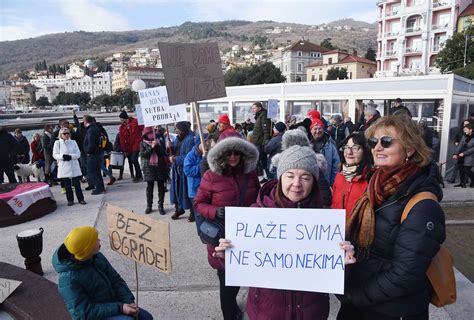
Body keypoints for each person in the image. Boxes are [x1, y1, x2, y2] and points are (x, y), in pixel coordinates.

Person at [214, 145, 356, 320]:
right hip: (266, 312)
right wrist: (225, 257)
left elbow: (336, 276)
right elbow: (240, 265)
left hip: (312, 313)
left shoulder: (327, 224)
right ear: (280, 178)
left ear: (314, 181)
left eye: (305, 177)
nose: (297, 184)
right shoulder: (256, 216)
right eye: (290, 176)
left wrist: (345, 264)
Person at [339, 114, 445, 320]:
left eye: (386, 142)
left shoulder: (422, 204)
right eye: (373, 142)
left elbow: (406, 273)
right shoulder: (376, 186)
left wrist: (356, 295)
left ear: (410, 149)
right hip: (363, 301)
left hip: (393, 309)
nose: (377, 148)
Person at [194, 137, 260, 320]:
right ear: (221, 154)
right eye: (228, 153)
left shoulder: (251, 174)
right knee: (226, 284)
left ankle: (233, 308)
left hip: (248, 236)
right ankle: (229, 315)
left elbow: (259, 199)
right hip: (224, 240)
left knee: (240, 280)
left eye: (236, 152)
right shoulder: (211, 176)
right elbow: (198, 203)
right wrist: (216, 212)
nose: (233, 157)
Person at [52, 226, 153, 320]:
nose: (99, 240)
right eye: (95, 240)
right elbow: (84, 312)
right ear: (87, 250)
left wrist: (129, 301)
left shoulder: (97, 257)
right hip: (94, 315)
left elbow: (116, 280)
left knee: (146, 317)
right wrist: (120, 308)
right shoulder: (67, 280)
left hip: (113, 304)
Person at [331, 132, 372, 217]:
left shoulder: (371, 178)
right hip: (338, 228)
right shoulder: (340, 176)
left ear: (365, 151)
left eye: (355, 148)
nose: (349, 152)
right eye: (346, 148)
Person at [53, 128, 86, 206]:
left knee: (77, 184)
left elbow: (78, 154)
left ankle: (81, 199)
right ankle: (70, 200)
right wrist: (63, 156)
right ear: (61, 135)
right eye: (64, 134)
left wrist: (70, 156)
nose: (66, 135)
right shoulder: (57, 143)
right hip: (63, 166)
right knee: (67, 186)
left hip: (73, 165)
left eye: (68, 133)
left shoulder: (73, 142)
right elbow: (55, 154)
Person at [140, 127, 169, 214]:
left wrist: (158, 146)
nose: (151, 135)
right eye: (149, 134)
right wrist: (151, 147)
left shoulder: (159, 140)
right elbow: (143, 154)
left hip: (159, 167)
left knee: (161, 187)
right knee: (150, 188)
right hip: (149, 168)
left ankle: (161, 205)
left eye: (152, 133)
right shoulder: (142, 143)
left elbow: (163, 153)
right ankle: (149, 206)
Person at [170, 121, 195, 220]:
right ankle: (178, 208)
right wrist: (169, 147)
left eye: (177, 129)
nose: (175, 130)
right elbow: (174, 150)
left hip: (184, 170)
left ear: (182, 130)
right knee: (176, 190)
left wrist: (176, 159)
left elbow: (188, 157)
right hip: (176, 169)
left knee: (187, 190)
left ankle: (192, 212)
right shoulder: (177, 138)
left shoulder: (190, 140)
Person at [183, 135, 205, 232]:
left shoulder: (210, 154)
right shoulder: (191, 155)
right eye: (204, 143)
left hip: (206, 189)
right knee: (199, 214)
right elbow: (187, 171)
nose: (206, 145)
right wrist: (202, 165)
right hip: (195, 190)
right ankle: (201, 234)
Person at [310, 119, 340, 185]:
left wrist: (332, 184)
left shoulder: (330, 145)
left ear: (323, 129)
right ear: (311, 130)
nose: (318, 131)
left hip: (326, 182)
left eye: (320, 128)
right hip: (310, 182)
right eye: (315, 129)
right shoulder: (307, 144)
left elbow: (336, 165)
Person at [118, 110, 143, 182]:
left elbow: (142, 127)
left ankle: (139, 175)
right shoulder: (121, 127)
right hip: (129, 146)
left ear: (124, 118)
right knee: (133, 160)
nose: (120, 121)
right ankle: (138, 175)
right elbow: (122, 140)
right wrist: (124, 150)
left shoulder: (135, 121)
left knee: (134, 159)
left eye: (121, 119)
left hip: (136, 143)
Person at [83, 115, 105, 195]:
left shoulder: (91, 130)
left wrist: (88, 151)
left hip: (93, 154)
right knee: (97, 172)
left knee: (91, 171)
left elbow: (91, 143)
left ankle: (99, 188)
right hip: (98, 153)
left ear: (86, 121)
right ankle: (101, 187)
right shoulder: (96, 128)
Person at [251, 102, 272, 180]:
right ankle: (269, 177)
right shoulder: (259, 115)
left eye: (254, 108)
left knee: (255, 162)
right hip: (258, 142)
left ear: (259, 108)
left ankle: (253, 179)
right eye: (252, 108)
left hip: (260, 143)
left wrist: (265, 142)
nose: (253, 110)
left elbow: (266, 130)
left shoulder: (263, 115)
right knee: (264, 162)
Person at [453, 123, 474, 188]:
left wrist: (464, 153)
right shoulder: (463, 136)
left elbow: (473, 149)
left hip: (470, 156)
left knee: (467, 170)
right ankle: (462, 183)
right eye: (464, 129)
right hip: (461, 156)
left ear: (470, 130)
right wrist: (456, 154)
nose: (464, 131)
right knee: (461, 169)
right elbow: (460, 146)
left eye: (466, 129)